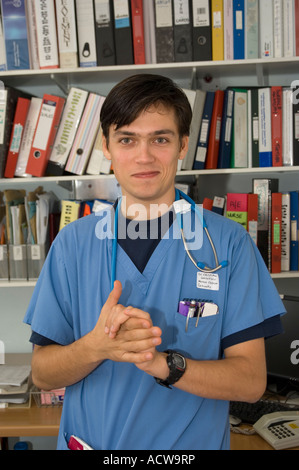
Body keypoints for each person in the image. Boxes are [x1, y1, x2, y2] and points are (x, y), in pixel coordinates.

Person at [24, 74, 285, 450]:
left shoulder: (229, 245)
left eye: (159, 139)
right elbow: (43, 374)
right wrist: (97, 347)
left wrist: (165, 364)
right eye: (127, 139)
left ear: (181, 146)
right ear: (107, 147)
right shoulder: (72, 245)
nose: (143, 156)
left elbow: (250, 381)